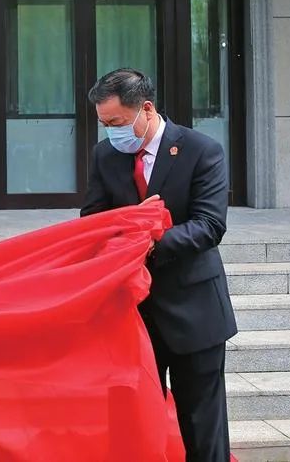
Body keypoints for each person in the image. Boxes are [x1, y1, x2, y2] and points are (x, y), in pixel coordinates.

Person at [81, 68, 237, 462]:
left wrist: (142, 245)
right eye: (104, 124)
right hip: (130, 314)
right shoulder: (106, 155)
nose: (111, 132)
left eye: (116, 123)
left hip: (193, 310)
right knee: (129, 423)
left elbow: (209, 226)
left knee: (202, 425)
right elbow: (94, 221)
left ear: (145, 110)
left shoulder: (202, 150)